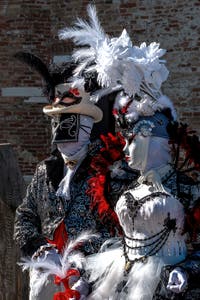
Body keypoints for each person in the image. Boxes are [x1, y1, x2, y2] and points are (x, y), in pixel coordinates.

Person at [58, 5, 200, 299]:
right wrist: (85, 277)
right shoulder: (123, 183)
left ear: (151, 140)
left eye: (131, 140)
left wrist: (186, 270)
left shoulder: (186, 188)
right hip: (123, 281)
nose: (124, 148)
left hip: (169, 288)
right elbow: (112, 238)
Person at [13, 53, 137, 299]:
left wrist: (82, 260)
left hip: (94, 283)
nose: (60, 130)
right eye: (57, 121)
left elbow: (124, 225)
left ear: (88, 125)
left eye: (69, 121)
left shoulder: (112, 169)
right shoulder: (45, 171)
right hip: (47, 280)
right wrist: (38, 247)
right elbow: (25, 215)